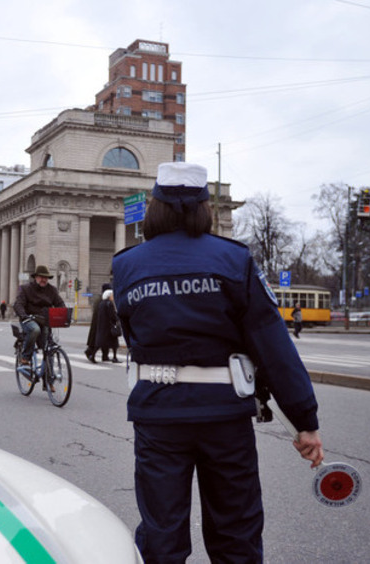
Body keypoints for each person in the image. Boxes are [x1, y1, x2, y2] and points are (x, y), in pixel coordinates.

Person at [112, 162, 323, 563]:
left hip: (158, 413)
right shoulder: (232, 260)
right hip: (224, 417)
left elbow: (133, 337)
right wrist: (304, 420)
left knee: (162, 535)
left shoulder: (127, 266)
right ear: (203, 207)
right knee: (235, 533)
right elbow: (272, 345)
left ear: (155, 207)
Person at [13, 265, 66, 366]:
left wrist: (64, 314)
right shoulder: (26, 289)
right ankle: (25, 357)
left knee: (49, 347)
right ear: (36, 277)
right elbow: (18, 304)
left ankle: (49, 377)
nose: (44, 280)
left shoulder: (52, 290)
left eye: (46, 278)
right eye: (41, 277)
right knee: (35, 329)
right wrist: (23, 315)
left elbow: (60, 303)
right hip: (29, 319)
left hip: (45, 320)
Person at [85, 283, 112, 363]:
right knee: (98, 340)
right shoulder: (102, 300)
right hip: (100, 323)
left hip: (102, 323)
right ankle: (90, 353)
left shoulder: (101, 299)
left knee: (104, 339)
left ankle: (105, 355)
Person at [96, 288, 122, 362]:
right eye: (112, 295)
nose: (113, 296)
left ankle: (94, 355)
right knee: (115, 343)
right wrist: (117, 319)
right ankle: (114, 358)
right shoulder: (109, 303)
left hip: (103, 326)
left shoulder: (102, 303)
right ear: (108, 296)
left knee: (100, 343)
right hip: (110, 327)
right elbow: (112, 315)